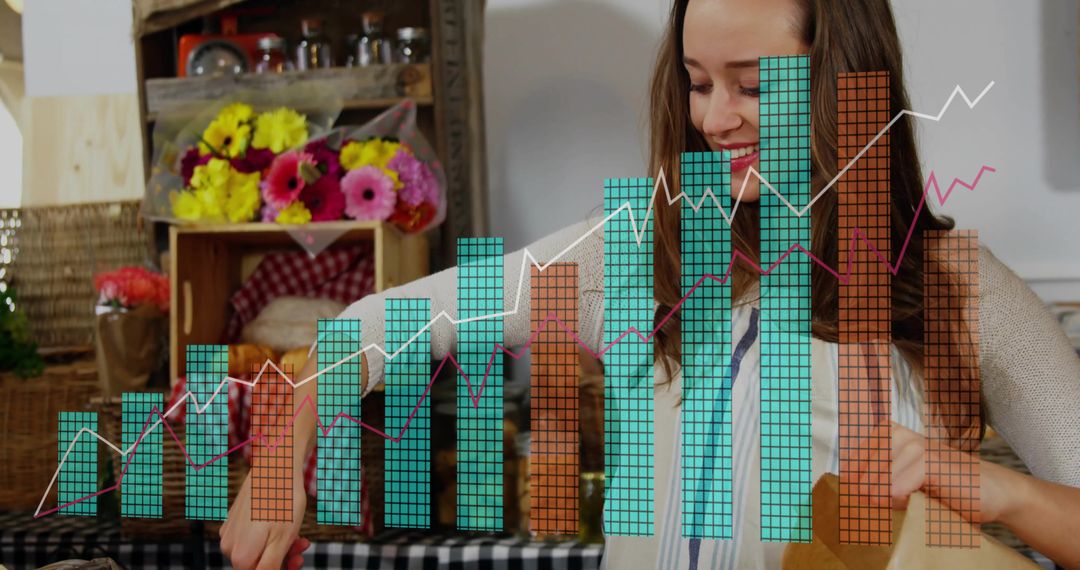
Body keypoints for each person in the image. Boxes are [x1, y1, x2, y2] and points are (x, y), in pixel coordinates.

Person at [219, 0, 1080, 568]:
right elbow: (382, 326)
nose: (712, 119)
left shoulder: (958, 287)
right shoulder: (642, 247)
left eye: (751, 84)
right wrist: (280, 457)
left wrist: (998, 490)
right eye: (698, 84)